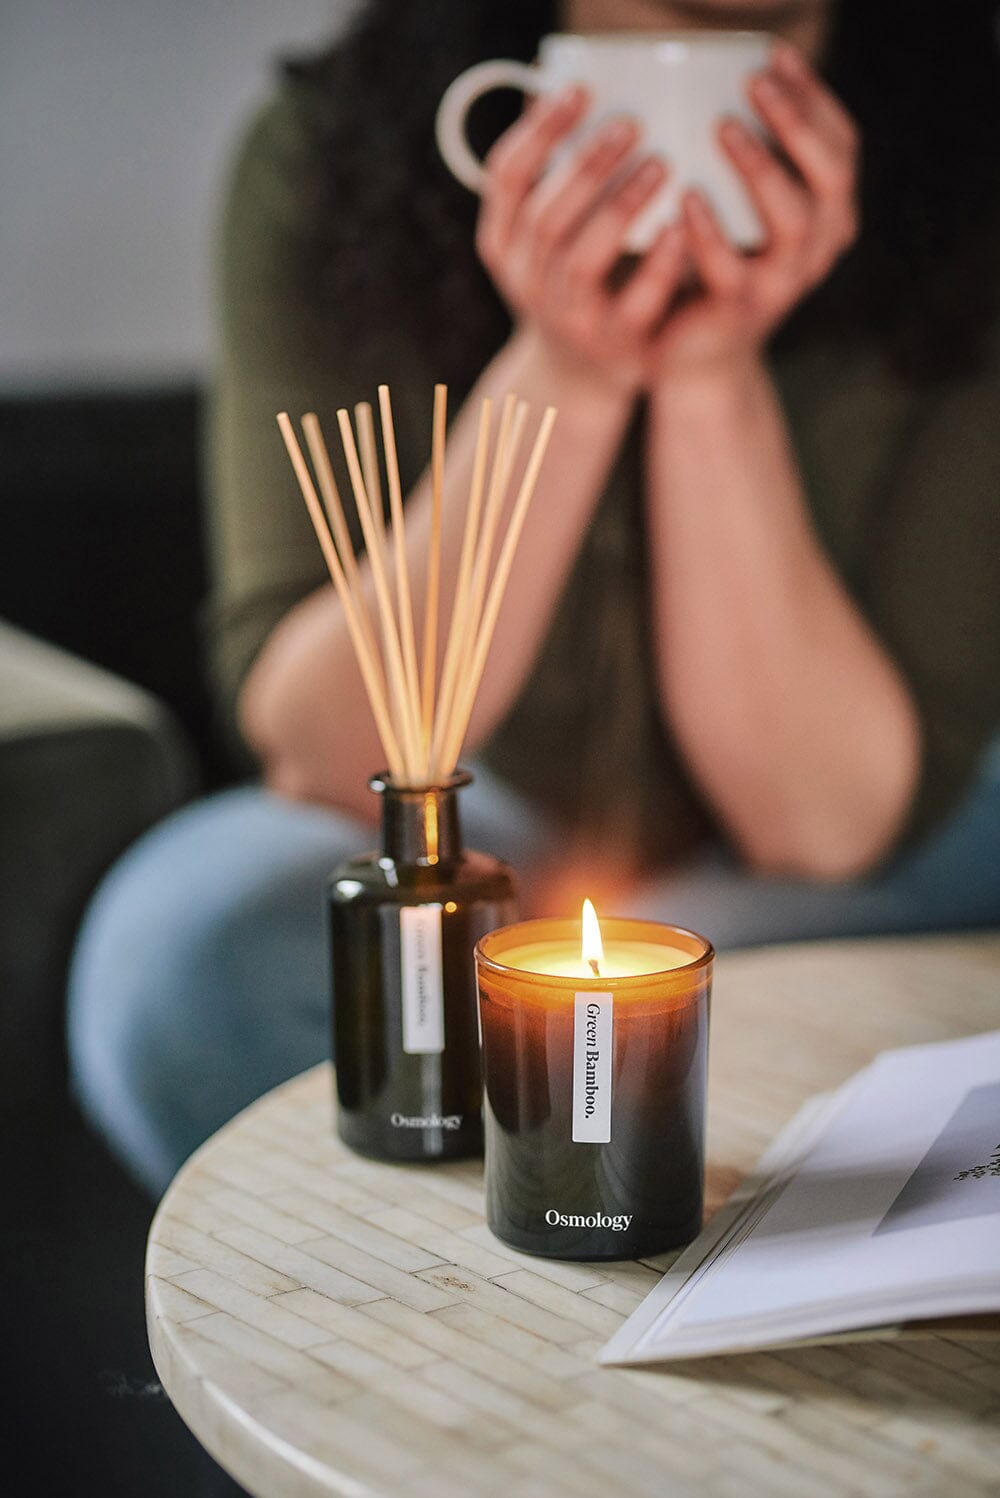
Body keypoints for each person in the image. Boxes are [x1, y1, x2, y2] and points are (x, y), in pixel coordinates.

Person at [69, 0, 1000, 1197]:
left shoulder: (972, 179)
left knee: (702, 984)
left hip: (890, 840)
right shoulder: (330, 159)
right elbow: (323, 750)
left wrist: (711, 377)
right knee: (183, 959)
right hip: (499, 807)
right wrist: (567, 368)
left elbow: (825, 826)